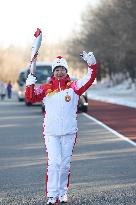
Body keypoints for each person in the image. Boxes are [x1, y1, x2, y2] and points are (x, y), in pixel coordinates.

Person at [25, 51, 97, 205]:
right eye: (56, 70)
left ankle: (62, 192)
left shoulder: (74, 87)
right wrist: (30, 82)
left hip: (69, 132)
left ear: (66, 71)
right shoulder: (45, 88)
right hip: (51, 132)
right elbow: (30, 97)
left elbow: (90, 79)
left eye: (62, 69)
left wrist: (92, 65)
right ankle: (52, 195)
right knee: (54, 163)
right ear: (53, 72)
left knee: (65, 164)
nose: (59, 72)